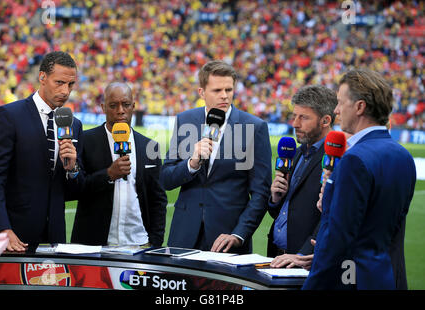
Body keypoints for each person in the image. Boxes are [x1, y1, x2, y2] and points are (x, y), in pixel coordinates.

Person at [303, 69, 416, 290]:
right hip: (383, 276)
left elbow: (338, 239)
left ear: (359, 107)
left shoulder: (354, 158)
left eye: (339, 103)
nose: (336, 110)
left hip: (351, 280)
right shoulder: (403, 156)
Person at [160, 60, 272, 254]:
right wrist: (192, 163)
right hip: (184, 235)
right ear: (201, 92)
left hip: (228, 239)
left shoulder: (255, 127)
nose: (224, 96)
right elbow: (166, 178)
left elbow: (261, 192)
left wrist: (239, 234)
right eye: (217, 90)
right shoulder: (185, 120)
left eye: (229, 90)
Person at [0, 51, 82, 251]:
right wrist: (2, 228)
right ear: (42, 77)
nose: (65, 90)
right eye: (59, 82)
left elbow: (73, 191)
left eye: (70, 85)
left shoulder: (74, 125)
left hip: (54, 239)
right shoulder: (10, 115)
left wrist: (73, 169)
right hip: (12, 236)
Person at [71, 82, 167, 247]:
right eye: (113, 105)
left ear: (134, 106)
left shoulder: (150, 147)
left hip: (139, 242)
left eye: (126, 104)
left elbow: (157, 199)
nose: (120, 110)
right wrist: (108, 175)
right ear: (103, 107)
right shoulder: (86, 141)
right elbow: (75, 189)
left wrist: (155, 241)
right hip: (94, 245)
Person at [267, 85, 337, 269]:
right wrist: (275, 198)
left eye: (303, 117)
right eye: (294, 116)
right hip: (278, 257)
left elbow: (332, 216)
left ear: (325, 120)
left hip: (305, 263)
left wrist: (302, 254)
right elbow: (283, 211)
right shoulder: (296, 153)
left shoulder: (336, 160)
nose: (295, 124)